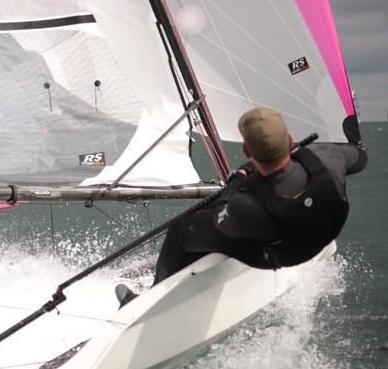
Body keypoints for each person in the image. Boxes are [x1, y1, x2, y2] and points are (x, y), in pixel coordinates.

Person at [117, 106, 367, 307]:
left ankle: (151, 296)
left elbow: (222, 217)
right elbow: (359, 157)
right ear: (289, 140)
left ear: (247, 150)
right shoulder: (328, 158)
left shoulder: (246, 205)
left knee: (184, 228)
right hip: (323, 233)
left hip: (280, 256)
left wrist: (237, 183)